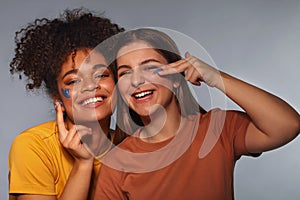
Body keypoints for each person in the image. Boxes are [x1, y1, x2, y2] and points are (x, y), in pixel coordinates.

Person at [94, 28, 300, 200]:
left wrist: (216, 77)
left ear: (176, 77)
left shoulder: (218, 128)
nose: (136, 80)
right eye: (125, 72)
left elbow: (287, 125)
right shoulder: (118, 161)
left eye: (149, 67)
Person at [8, 8, 126, 200]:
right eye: (73, 81)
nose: (89, 86)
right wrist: (83, 164)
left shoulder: (131, 147)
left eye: (101, 75)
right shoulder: (33, 146)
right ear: (57, 97)